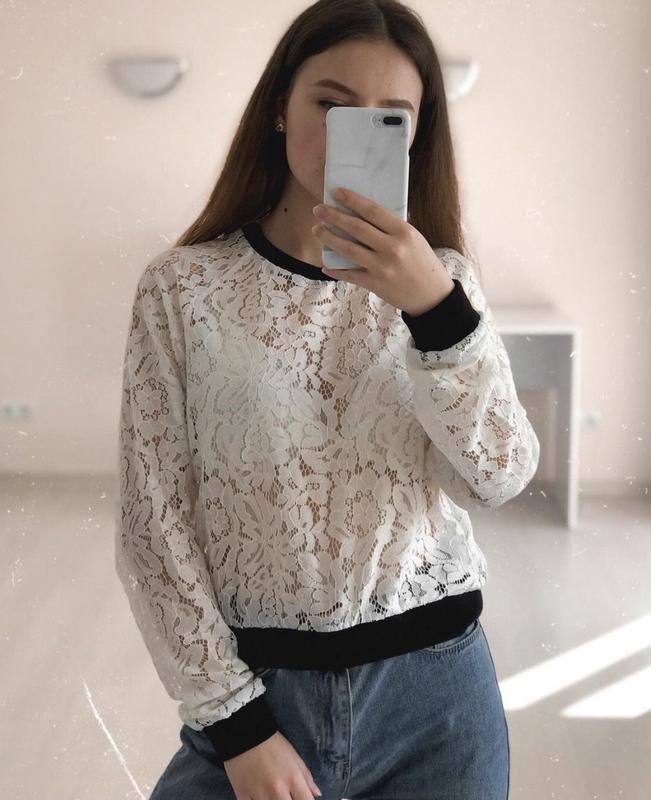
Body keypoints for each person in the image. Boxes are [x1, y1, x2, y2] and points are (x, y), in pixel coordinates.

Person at [115, 1, 540, 798]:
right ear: (280, 106)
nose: (355, 132)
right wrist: (238, 730)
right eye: (331, 104)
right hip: (259, 697)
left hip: (438, 703)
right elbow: (152, 526)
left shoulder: (443, 282)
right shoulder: (183, 288)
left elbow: (497, 477)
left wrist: (435, 311)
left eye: (389, 117)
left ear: (416, 135)